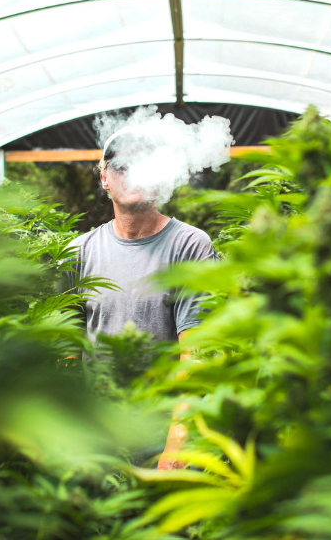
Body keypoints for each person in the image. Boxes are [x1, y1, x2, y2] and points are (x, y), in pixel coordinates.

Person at [62, 126, 217, 469]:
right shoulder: (78, 251)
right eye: (120, 166)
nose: (132, 173)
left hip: (161, 438)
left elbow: (196, 356)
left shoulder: (190, 246)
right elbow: (67, 350)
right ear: (104, 179)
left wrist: (176, 446)